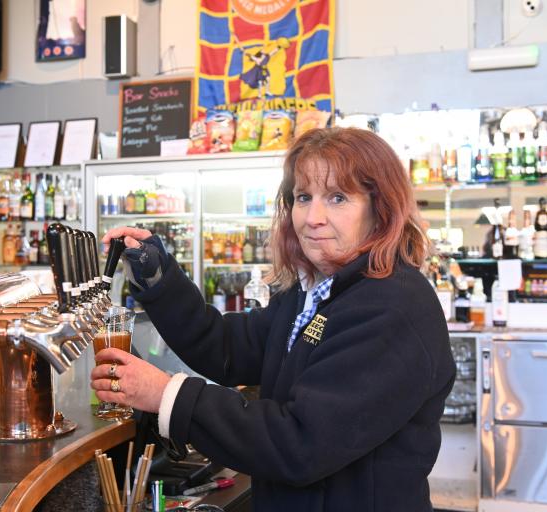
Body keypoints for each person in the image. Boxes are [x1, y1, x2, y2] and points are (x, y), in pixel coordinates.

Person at [92, 127, 456, 511]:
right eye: (303, 197)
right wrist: (159, 278)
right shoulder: (312, 291)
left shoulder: (391, 306)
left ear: (380, 209)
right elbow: (227, 349)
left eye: (337, 198)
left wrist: (166, 394)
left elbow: (300, 443)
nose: (313, 217)